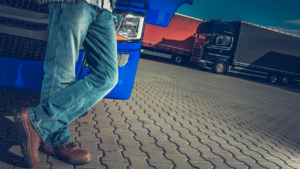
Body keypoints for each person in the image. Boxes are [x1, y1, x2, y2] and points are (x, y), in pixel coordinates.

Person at [13, 0, 118, 167]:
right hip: (74, 2)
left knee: (107, 77)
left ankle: (38, 122)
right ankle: (56, 139)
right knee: (61, 73)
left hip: (105, 7)